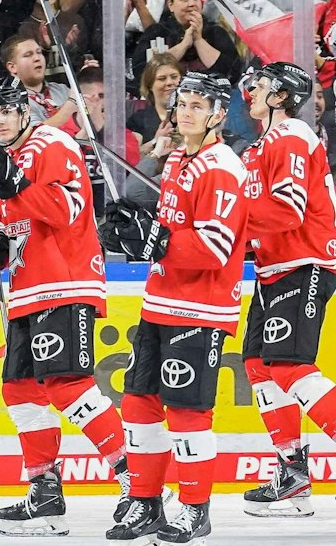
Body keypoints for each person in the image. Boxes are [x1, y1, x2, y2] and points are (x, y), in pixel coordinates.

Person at [237, 63, 336, 518]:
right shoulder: (257, 148)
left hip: (306, 260)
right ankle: (292, 475)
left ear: (281, 96)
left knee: (288, 365)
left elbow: (287, 211)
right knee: (257, 364)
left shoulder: (291, 135)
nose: (251, 90)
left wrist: (228, 223)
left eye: (261, 85)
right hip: (274, 266)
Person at [99, 72, 253, 545]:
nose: (185, 111)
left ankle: (193, 509)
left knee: (187, 412)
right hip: (159, 302)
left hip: (200, 309)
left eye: (195, 104)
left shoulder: (221, 166)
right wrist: (133, 230)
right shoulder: (179, 160)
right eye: (180, 103)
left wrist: (157, 241)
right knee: (140, 404)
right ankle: (146, 502)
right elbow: (163, 230)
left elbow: (213, 247)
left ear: (217, 114)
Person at [0, 80, 129, 535]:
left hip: (64, 280)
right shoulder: (6, 160)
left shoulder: (52, 142)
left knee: (67, 386)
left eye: (6, 110)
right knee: (20, 389)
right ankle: (44, 491)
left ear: (25, 110)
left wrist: (17, 184)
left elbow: (66, 210)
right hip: (27, 288)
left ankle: (136, 481)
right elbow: (17, 226)